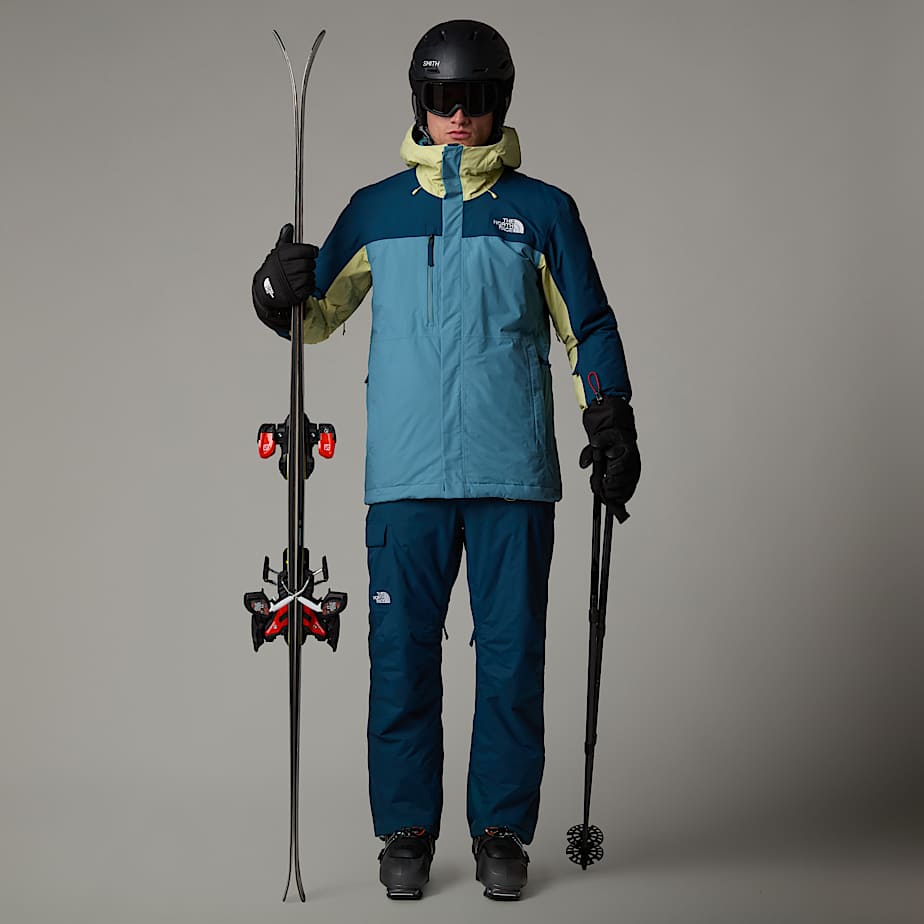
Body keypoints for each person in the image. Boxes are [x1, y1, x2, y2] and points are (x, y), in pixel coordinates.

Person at [251, 19, 640, 901]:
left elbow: (588, 326)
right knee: (400, 658)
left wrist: (611, 417)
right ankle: (407, 831)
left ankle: (501, 830)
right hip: (406, 478)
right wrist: (274, 291)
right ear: (419, 102)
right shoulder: (375, 209)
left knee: (510, 658)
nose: (457, 115)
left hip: (513, 475)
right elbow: (316, 317)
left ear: (501, 101)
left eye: (474, 98)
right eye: (441, 98)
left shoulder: (543, 211)